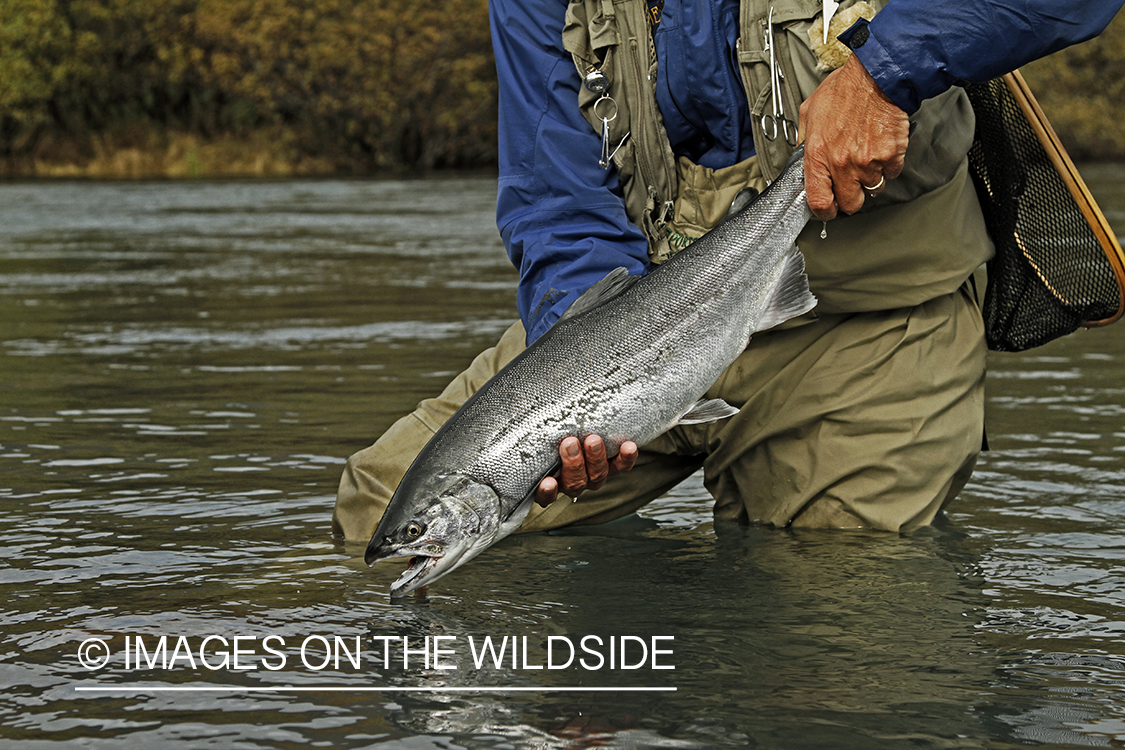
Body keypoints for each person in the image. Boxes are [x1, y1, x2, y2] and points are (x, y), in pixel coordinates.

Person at [334, 0, 1123, 542]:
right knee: (380, 515)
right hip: (645, 316)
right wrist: (582, 383)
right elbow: (556, 201)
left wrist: (886, 73)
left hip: (864, 324)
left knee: (829, 611)